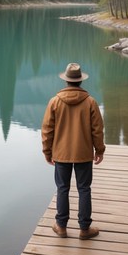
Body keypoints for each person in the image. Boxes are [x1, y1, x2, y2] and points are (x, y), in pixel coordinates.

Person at [41, 62, 105, 240]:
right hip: (84, 153)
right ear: (80, 82)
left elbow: (47, 130)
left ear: (66, 81)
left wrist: (47, 152)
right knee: (84, 189)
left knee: (62, 188)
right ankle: (84, 229)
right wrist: (99, 150)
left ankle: (61, 227)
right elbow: (97, 130)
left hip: (61, 154)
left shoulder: (54, 102)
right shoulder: (91, 102)